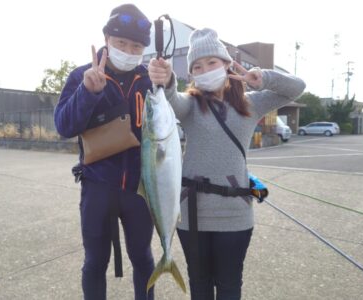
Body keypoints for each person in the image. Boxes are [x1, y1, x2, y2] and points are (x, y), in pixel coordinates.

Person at [148, 28, 306, 300]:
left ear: (226, 64)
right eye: (197, 66)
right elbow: (171, 97)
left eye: (211, 62)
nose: (205, 69)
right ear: (192, 74)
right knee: (199, 284)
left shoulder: (252, 104)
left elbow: (297, 87)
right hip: (191, 214)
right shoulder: (190, 106)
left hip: (235, 215)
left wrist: (263, 77)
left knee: (230, 285)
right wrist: (167, 77)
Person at [54, 4, 155, 300]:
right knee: (95, 262)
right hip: (97, 186)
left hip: (140, 189)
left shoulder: (149, 79)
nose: (128, 49)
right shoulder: (81, 75)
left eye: (136, 45)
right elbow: (64, 126)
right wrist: (87, 92)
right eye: (121, 42)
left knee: (143, 259)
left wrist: (170, 82)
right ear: (106, 40)